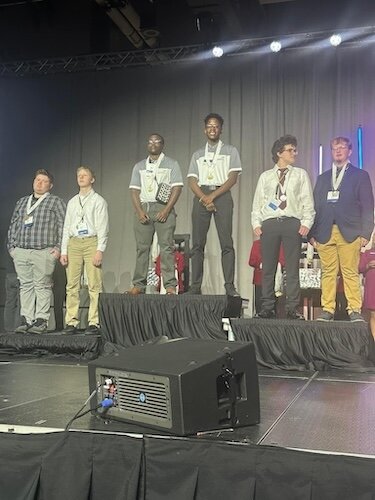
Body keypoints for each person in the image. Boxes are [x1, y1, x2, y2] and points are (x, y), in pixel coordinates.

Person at [309, 136, 374, 322]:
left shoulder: (360, 175)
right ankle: (327, 309)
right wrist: (312, 234)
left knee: (350, 271)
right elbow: (315, 207)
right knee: (328, 272)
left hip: (350, 231)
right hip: (325, 232)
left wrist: (365, 233)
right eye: (334, 148)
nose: (338, 151)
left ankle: (354, 309)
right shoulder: (322, 178)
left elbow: (368, 206)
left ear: (349, 151)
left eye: (342, 148)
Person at [251, 135, 315, 319]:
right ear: (279, 153)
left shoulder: (300, 174)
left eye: (295, 150)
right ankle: (267, 307)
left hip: (291, 222)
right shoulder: (266, 176)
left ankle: (292, 308)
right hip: (270, 223)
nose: (294, 153)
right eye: (290, 150)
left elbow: (307, 202)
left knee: (292, 268)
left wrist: (306, 223)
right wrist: (256, 223)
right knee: (268, 267)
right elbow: (258, 203)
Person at [187, 113, 242, 296]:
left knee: (226, 243)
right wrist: (204, 197)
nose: (212, 129)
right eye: (209, 126)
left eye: (216, 126)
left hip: (222, 194)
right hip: (201, 195)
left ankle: (229, 287)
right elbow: (192, 181)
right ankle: (195, 287)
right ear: (205, 129)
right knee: (197, 245)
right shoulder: (197, 154)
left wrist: (214, 196)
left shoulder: (230, 151)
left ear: (221, 130)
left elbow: (232, 178)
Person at [7, 169, 66, 334]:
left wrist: (58, 249)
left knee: (42, 285)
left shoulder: (55, 202)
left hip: (43, 251)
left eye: (44, 181)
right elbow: (13, 225)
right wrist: (12, 248)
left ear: (50, 185)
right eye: (37, 180)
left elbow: (63, 225)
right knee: (25, 286)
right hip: (22, 251)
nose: (40, 183)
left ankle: (41, 320)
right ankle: (27, 319)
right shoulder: (22, 202)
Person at [127, 133, 183, 295]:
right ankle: (139, 285)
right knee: (142, 248)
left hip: (163, 207)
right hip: (144, 207)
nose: (153, 144)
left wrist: (166, 210)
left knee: (166, 248)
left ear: (162, 144)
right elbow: (134, 190)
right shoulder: (139, 166)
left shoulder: (171, 164)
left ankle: (170, 286)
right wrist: (139, 211)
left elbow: (177, 188)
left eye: (156, 141)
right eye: (150, 141)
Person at [60, 166, 109, 335]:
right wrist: (64, 250)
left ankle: (94, 321)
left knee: (94, 284)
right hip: (74, 243)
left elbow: (103, 228)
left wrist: (99, 249)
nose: (81, 178)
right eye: (78, 175)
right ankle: (71, 321)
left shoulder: (98, 201)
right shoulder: (73, 201)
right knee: (72, 285)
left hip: (90, 242)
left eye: (84, 175)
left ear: (92, 179)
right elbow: (66, 227)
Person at [248, 239, 285, 315]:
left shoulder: (279, 244)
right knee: (259, 305)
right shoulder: (257, 244)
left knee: (273, 307)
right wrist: (262, 264)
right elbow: (252, 261)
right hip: (260, 280)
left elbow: (283, 260)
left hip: (274, 280)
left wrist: (275, 265)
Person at [359, 233, 375, 339]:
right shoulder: (368, 253)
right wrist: (368, 265)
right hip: (372, 287)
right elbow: (359, 268)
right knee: (373, 314)